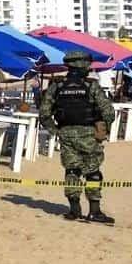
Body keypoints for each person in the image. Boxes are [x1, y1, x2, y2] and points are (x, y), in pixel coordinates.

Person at [39, 51, 116, 224]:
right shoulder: (91, 86)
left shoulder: (56, 86)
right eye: (87, 64)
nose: (89, 68)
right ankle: (94, 212)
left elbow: (44, 114)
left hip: (66, 133)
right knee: (93, 172)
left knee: (72, 171)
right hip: (89, 134)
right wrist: (103, 129)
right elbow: (108, 112)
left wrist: (55, 131)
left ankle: (74, 210)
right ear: (81, 65)